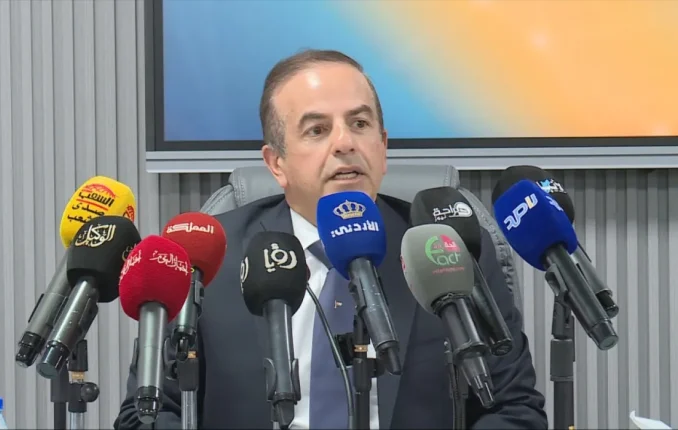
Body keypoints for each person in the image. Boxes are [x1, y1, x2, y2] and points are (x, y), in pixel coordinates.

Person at [114, 49, 547, 429]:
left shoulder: (448, 252)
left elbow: (514, 408)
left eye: (360, 123)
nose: (345, 143)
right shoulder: (204, 263)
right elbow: (147, 413)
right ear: (276, 163)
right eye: (317, 130)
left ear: (383, 146)